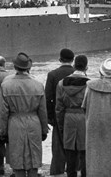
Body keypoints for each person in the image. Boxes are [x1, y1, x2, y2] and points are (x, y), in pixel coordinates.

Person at [0, 53, 48, 177]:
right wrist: (44, 129)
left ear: (15, 67)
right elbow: (43, 111)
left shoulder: (6, 86)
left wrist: (2, 131)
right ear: (28, 67)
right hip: (34, 122)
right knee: (34, 158)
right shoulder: (38, 85)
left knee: (17, 159)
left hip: (14, 123)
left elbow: (3, 112)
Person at [55, 55, 89, 177]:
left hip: (68, 118)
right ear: (86, 67)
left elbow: (59, 108)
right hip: (84, 118)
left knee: (70, 153)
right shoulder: (89, 84)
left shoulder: (61, 84)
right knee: (85, 152)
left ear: (74, 66)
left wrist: (60, 125)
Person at [45, 48, 75, 176]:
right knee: (75, 146)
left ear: (60, 59)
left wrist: (51, 118)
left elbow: (48, 98)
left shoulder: (52, 75)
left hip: (58, 115)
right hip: (76, 115)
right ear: (73, 60)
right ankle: (74, 170)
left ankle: (58, 171)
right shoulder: (78, 73)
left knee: (58, 148)